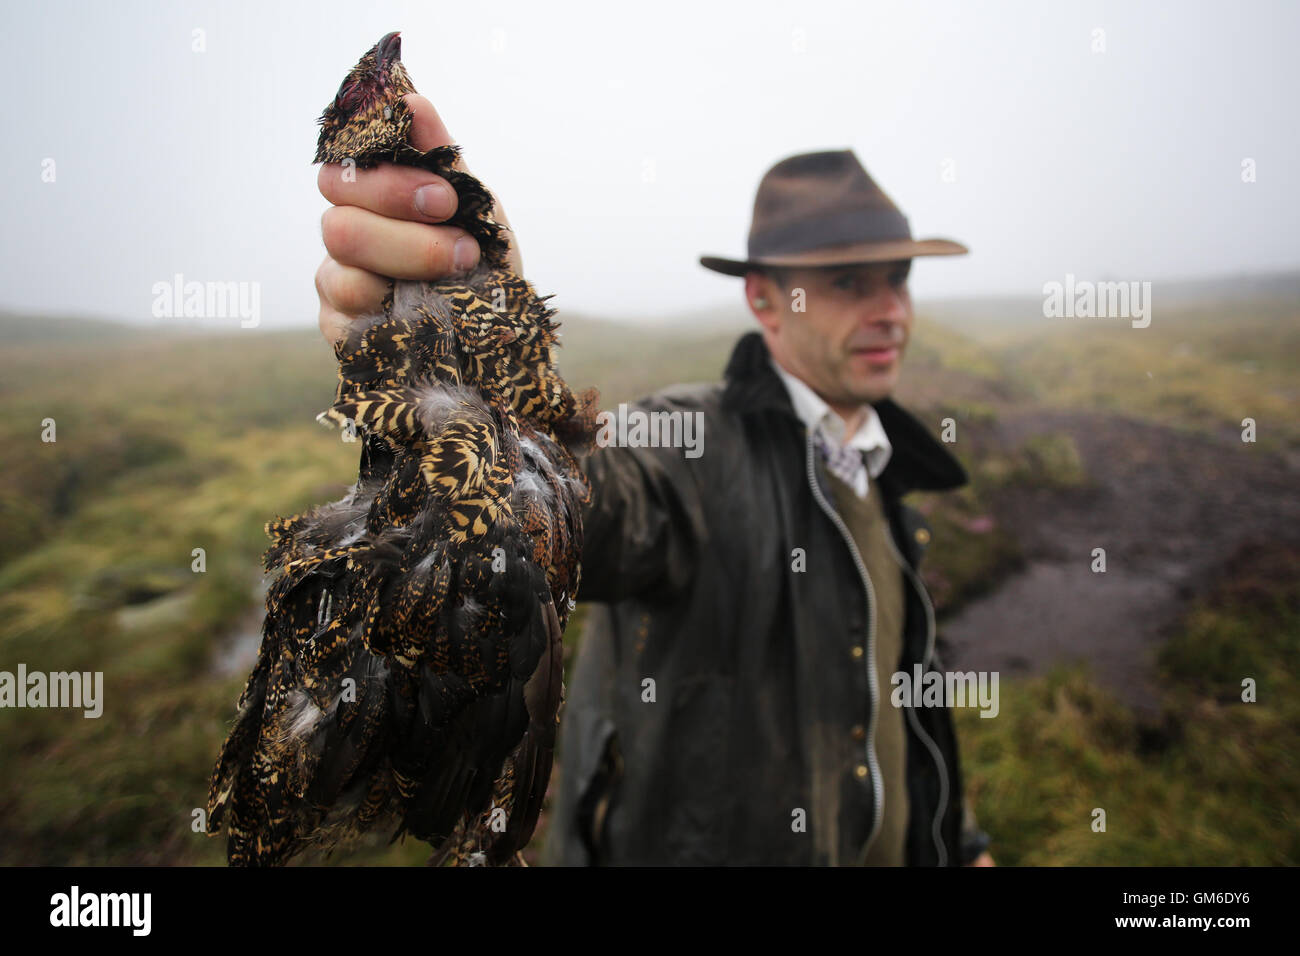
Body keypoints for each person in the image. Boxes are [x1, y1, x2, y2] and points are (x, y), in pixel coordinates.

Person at [314, 94, 993, 866]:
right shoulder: (691, 449)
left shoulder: (886, 466)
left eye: (897, 279)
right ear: (764, 299)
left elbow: (902, 693)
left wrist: (959, 840)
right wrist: (478, 363)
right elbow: (571, 505)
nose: (888, 311)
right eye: (846, 283)